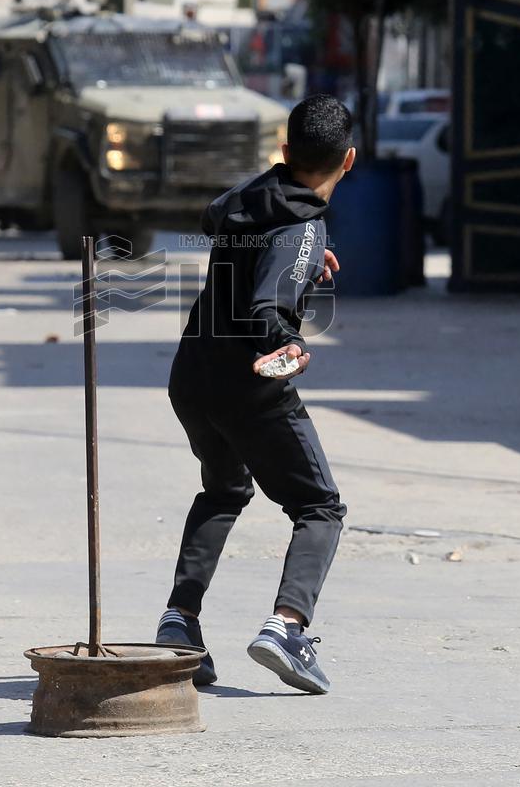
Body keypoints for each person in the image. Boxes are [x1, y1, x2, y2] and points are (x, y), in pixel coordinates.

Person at [156, 94, 354, 695]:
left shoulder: (250, 199)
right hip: (248, 383)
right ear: (349, 160)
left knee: (224, 488)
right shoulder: (301, 224)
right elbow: (267, 303)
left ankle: (179, 622)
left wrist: (299, 257)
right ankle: (287, 628)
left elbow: (225, 220)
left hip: (193, 376)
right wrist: (287, 342)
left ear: (285, 151)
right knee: (320, 508)